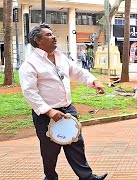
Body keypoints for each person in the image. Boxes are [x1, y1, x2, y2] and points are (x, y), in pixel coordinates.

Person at [18, 23, 108, 180]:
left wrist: (94, 81)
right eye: (48, 35)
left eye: (53, 34)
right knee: (50, 150)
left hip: (68, 110)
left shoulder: (61, 57)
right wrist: (49, 111)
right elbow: (29, 91)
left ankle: (87, 177)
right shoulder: (30, 64)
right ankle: (50, 177)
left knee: (76, 144)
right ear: (38, 40)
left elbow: (78, 72)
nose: (53, 37)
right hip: (47, 115)